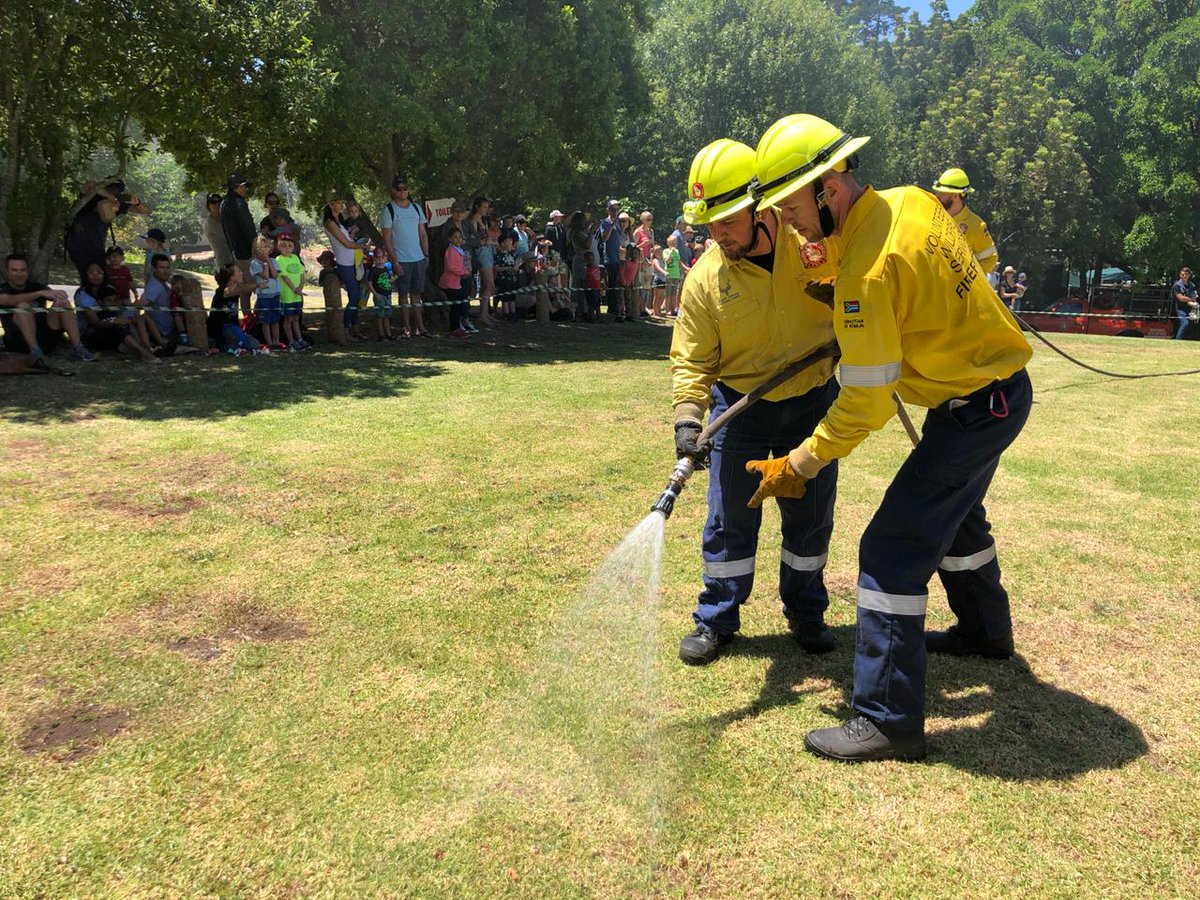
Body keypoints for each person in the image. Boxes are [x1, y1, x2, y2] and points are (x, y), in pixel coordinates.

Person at [751, 113, 1033, 762]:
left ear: (829, 188)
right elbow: (907, 285)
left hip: (974, 408)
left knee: (892, 546)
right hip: (995, 393)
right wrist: (833, 281)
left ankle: (887, 719)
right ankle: (986, 634)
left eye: (792, 207)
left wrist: (800, 462)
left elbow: (866, 402)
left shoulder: (866, 278)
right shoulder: (909, 201)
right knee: (957, 521)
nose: (789, 222)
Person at [670, 138, 841, 666]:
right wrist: (687, 421)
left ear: (760, 202)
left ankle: (807, 614)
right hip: (739, 411)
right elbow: (693, 360)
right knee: (728, 521)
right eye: (710, 223)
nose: (718, 233)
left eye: (728, 219)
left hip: (814, 406)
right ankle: (717, 618)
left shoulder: (811, 244)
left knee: (810, 518)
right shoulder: (704, 280)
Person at [0, 253, 93, 364]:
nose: (19, 274)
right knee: (23, 306)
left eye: (22, 270)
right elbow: (9, 300)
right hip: (18, 341)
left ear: (27, 271)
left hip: (45, 337)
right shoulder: (3, 289)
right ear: (7, 271)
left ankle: (78, 348)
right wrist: (39, 293)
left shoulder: (35, 286)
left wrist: (58, 294)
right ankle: (35, 352)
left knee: (63, 303)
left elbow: (59, 294)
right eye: (14, 270)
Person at [65, 179, 151, 280]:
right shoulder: (90, 197)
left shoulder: (115, 205)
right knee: (87, 277)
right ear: (104, 187)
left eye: (117, 190)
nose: (114, 191)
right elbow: (89, 184)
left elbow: (147, 211)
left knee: (101, 279)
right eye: (111, 188)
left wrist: (137, 203)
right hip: (78, 246)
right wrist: (111, 197)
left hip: (97, 248)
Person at [74, 264, 160, 363]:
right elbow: (95, 323)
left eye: (99, 272)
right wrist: (117, 321)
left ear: (104, 273)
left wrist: (124, 319)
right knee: (120, 326)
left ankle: (148, 345)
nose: (95, 275)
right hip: (91, 331)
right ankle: (143, 352)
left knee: (138, 315)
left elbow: (118, 309)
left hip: (111, 324)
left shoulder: (109, 287)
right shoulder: (82, 295)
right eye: (91, 272)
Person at [932, 167, 999, 276]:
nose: (937, 196)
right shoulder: (932, 214)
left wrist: (969, 282)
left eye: (942, 193)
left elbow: (991, 257)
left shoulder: (976, 225)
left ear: (955, 195)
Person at [324, 198, 367, 340]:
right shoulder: (330, 223)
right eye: (338, 202)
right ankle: (344, 329)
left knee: (355, 296)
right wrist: (362, 246)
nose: (342, 205)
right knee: (354, 295)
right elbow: (347, 244)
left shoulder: (341, 220)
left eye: (343, 202)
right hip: (344, 262)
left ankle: (355, 329)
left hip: (353, 260)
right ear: (331, 205)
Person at [208, 265, 266, 355]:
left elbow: (241, 289)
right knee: (240, 341)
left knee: (255, 344)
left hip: (233, 326)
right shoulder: (223, 291)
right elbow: (236, 290)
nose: (241, 273)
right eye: (238, 272)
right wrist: (257, 285)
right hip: (220, 329)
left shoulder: (237, 288)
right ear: (231, 277)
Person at [220, 174, 258, 282]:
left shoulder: (224, 203)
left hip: (235, 250)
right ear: (238, 186)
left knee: (243, 287)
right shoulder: (239, 203)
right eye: (245, 186)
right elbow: (247, 225)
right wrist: (255, 244)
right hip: (246, 251)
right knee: (254, 284)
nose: (246, 188)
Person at [275, 234, 308, 350]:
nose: (287, 248)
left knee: (296, 318)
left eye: (289, 246)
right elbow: (284, 276)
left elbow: (302, 274)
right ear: (279, 247)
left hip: (297, 295)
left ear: (293, 247)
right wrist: (294, 289)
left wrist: (300, 287)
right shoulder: (279, 259)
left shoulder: (295, 258)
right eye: (283, 246)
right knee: (288, 319)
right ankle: (290, 340)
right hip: (287, 295)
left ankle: (300, 339)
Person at [250, 237, 283, 350]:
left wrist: (269, 261)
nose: (263, 250)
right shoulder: (254, 263)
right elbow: (265, 276)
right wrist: (264, 263)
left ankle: (276, 341)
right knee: (266, 321)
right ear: (255, 250)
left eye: (265, 247)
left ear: (270, 249)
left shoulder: (274, 261)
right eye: (259, 248)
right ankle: (269, 343)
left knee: (275, 320)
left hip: (275, 294)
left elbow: (274, 275)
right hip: (264, 296)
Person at [440, 227, 473, 337]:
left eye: (459, 237)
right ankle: (455, 329)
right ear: (450, 239)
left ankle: (459, 327)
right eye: (455, 237)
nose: (458, 239)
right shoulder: (451, 251)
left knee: (458, 306)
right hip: (451, 283)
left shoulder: (459, 250)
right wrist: (464, 272)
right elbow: (451, 267)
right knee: (455, 307)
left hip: (457, 282)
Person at [599, 200, 624, 319]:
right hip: (609, 258)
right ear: (608, 210)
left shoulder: (618, 223)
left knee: (616, 283)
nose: (615, 212)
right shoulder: (605, 222)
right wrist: (611, 225)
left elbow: (620, 238)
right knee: (610, 283)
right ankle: (610, 308)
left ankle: (615, 308)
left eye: (616, 210)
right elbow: (604, 238)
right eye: (613, 209)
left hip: (617, 256)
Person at [365, 248, 396, 341]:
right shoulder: (373, 270)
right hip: (379, 295)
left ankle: (389, 334)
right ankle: (381, 335)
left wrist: (396, 277)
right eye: (378, 258)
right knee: (380, 316)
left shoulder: (386, 269)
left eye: (382, 257)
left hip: (388, 295)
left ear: (386, 258)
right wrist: (375, 294)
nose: (380, 260)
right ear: (374, 259)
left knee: (387, 315)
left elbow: (389, 280)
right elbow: (369, 283)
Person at [202, 192, 235, 269]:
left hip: (235, 259)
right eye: (213, 202)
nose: (217, 204)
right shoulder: (209, 223)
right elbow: (227, 237)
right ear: (208, 205)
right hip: (224, 261)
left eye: (219, 201)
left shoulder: (225, 218)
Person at [494, 232, 520, 321]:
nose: (510, 244)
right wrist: (506, 268)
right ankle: (506, 312)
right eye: (508, 243)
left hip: (512, 279)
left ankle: (513, 312)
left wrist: (516, 267)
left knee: (512, 296)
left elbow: (515, 264)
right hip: (503, 279)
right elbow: (497, 268)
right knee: (505, 296)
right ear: (502, 244)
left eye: (511, 242)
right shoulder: (499, 255)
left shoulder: (512, 254)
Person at [1172, 266, 1197, 340]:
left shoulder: (1192, 285)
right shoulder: (1177, 285)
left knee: (1192, 325)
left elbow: (1194, 297)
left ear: (1189, 275)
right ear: (1180, 275)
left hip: (1191, 309)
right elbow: (1181, 298)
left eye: (1186, 274)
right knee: (1185, 323)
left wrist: (1193, 302)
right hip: (1180, 310)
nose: (1184, 276)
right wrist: (1191, 299)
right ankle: (1177, 340)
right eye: (1182, 274)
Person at [618, 242, 640, 323]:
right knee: (621, 299)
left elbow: (633, 274)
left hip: (629, 284)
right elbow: (621, 272)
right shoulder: (626, 262)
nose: (636, 255)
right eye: (634, 253)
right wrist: (623, 281)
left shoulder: (636, 264)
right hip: (622, 283)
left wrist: (632, 282)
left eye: (637, 253)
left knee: (628, 299)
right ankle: (619, 315)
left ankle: (629, 315)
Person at [583, 251, 603, 322]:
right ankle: (592, 318)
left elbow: (600, 277)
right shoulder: (586, 269)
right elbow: (585, 279)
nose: (591, 261)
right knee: (591, 305)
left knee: (598, 304)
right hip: (590, 290)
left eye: (592, 259)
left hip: (597, 289)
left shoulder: (597, 267)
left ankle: (599, 317)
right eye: (588, 259)